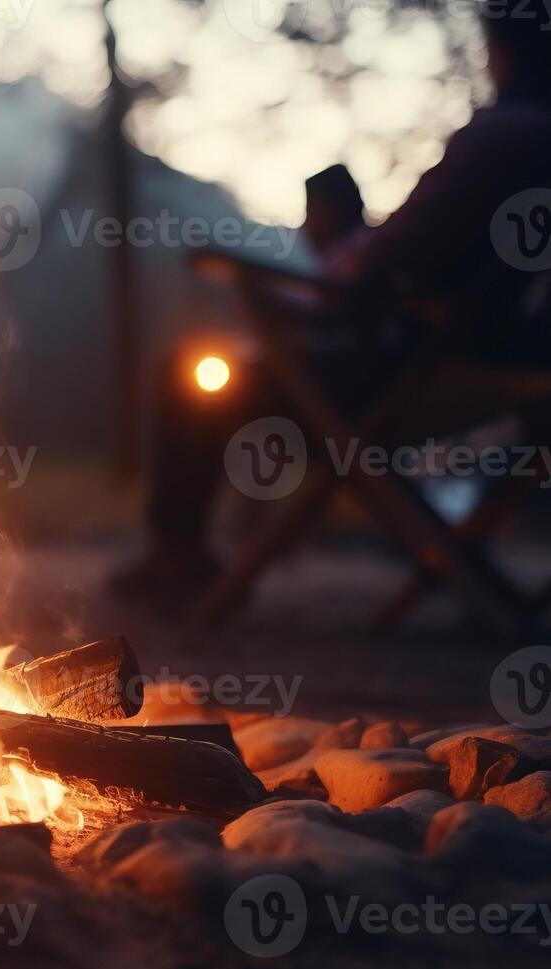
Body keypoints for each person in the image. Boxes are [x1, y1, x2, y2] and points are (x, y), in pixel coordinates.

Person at [111, 2, 551, 608]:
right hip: (502, 368)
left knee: (185, 377)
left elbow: (390, 259)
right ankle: (469, 574)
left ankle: (177, 558)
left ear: (500, 48)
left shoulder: (502, 137)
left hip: (405, 376)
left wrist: (284, 290)